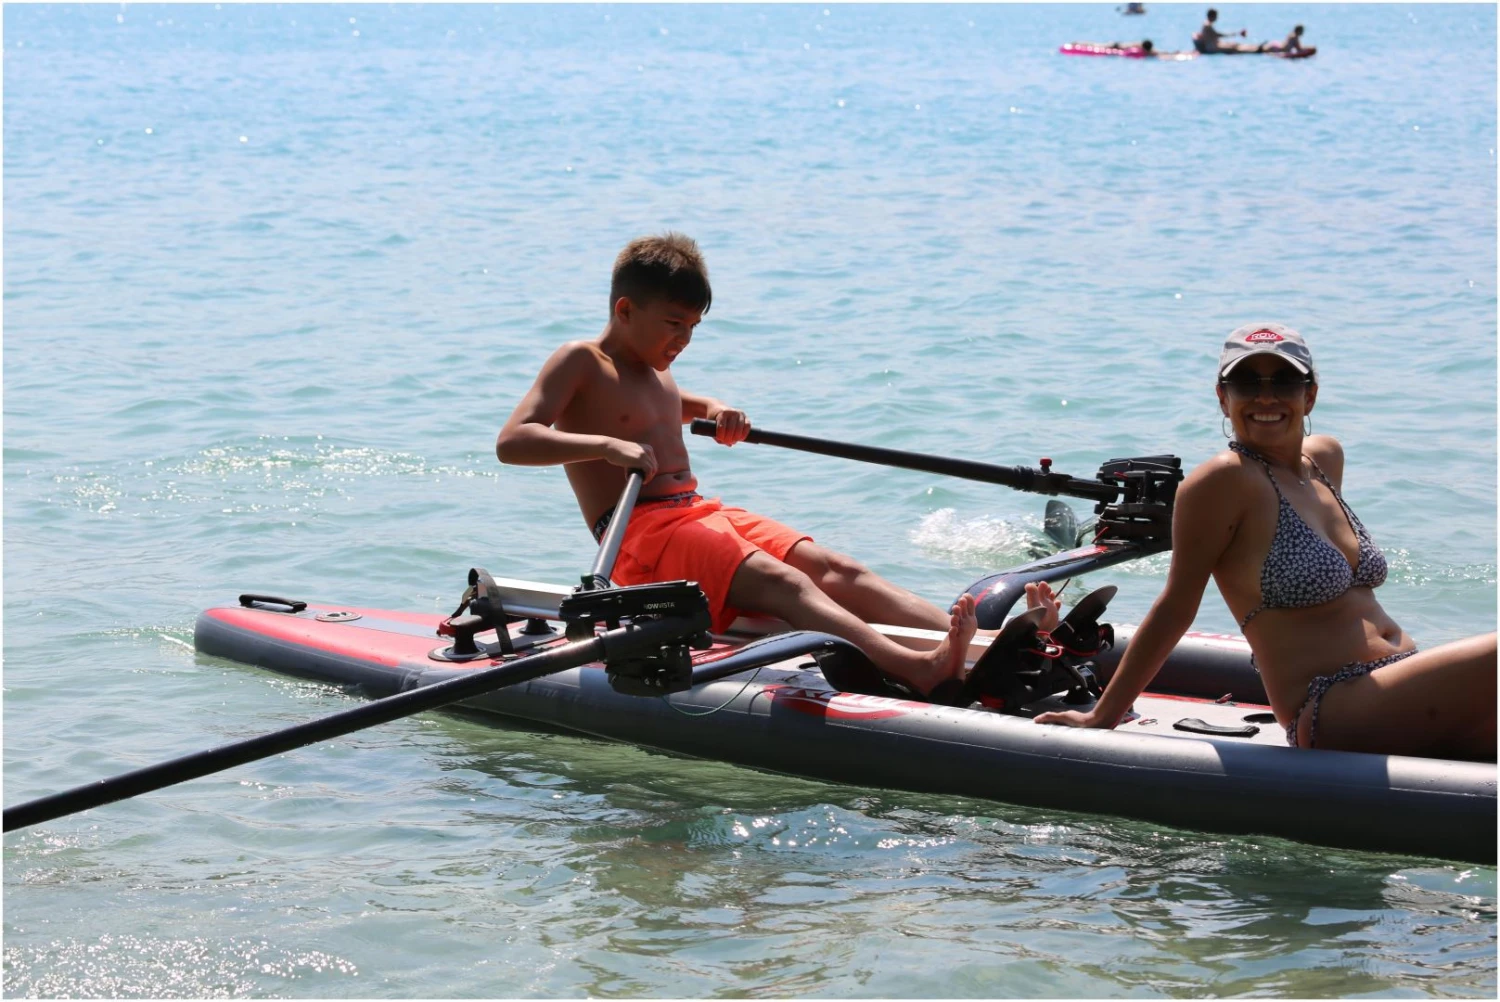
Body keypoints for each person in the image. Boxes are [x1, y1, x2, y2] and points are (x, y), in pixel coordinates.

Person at [495, 232, 1059, 697]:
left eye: (693, 327)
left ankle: (986, 644)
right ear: (625, 309)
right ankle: (917, 667)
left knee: (835, 568)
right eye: (673, 323)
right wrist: (605, 447)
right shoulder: (580, 361)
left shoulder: (654, 366)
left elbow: (670, 404)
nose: (684, 339)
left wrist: (716, 409)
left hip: (696, 513)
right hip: (639, 538)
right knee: (784, 582)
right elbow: (514, 440)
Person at [1037, 324, 1497, 761]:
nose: (1265, 396)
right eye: (1246, 383)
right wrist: (1103, 716)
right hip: (1332, 709)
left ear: (1310, 394)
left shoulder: (1324, 459)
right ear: (1223, 398)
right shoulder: (1223, 481)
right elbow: (1176, 607)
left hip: (1398, 691)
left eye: (1284, 381)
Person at [1192, 8, 1262, 54]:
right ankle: (1255, 50)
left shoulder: (1205, 24)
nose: (1217, 18)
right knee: (1235, 49)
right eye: (1216, 16)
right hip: (1213, 48)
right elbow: (1218, 35)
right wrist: (1235, 34)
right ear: (1212, 16)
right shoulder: (1207, 25)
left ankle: (1255, 47)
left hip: (1215, 45)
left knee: (1235, 44)